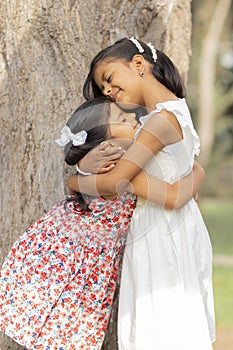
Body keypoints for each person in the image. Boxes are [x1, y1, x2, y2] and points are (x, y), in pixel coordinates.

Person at [0, 97, 204, 350]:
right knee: (59, 332)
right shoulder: (119, 169)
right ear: (104, 143)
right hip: (66, 261)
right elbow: (174, 196)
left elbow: (75, 183)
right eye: (123, 119)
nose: (135, 121)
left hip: (72, 256)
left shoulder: (122, 163)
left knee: (58, 334)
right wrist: (197, 173)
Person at [67, 38, 216, 349]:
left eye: (108, 79)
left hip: (161, 234)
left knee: (160, 326)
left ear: (138, 64)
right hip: (178, 229)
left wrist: (75, 182)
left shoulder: (160, 121)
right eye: (102, 88)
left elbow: (113, 185)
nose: (106, 91)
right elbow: (189, 173)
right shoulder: (173, 111)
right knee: (174, 325)